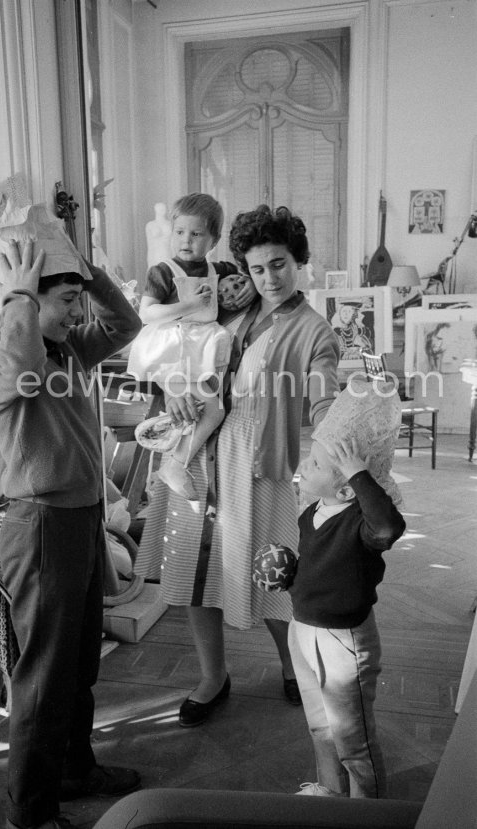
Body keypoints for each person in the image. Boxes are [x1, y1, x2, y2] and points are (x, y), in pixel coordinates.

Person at [134, 204, 340, 725]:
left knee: (272, 572)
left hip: (257, 463)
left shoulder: (314, 329)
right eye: (257, 267)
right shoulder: (230, 302)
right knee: (194, 569)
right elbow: (177, 346)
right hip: (195, 454)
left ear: (299, 262)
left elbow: (322, 387)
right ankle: (212, 677)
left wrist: (332, 426)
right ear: (242, 269)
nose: (268, 277)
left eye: (279, 264)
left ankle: (294, 667)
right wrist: (173, 389)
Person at [0, 236, 142, 829]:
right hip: (40, 528)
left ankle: (74, 770)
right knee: (44, 678)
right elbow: (18, 370)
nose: (78, 311)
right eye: (67, 299)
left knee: (77, 666)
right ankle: (30, 813)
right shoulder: (1, 363)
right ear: (29, 302)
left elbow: (126, 322)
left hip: (79, 520)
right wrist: (16, 292)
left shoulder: (69, 351)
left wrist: (86, 273)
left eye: (78, 299)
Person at [286, 379, 406, 799]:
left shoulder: (361, 523)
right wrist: (291, 575)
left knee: (352, 737)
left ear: (346, 487)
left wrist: (359, 473)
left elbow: (389, 527)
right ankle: (330, 793)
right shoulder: (312, 511)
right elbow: (321, 565)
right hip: (303, 628)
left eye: (316, 465)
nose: (303, 467)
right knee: (320, 724)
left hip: (343, 642)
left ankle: (365, 809)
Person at [128, 193, 254, 502]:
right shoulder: (163, 271)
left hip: (199, 350)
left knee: (208, 409)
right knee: (213, 410)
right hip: (173, 351)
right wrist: (188, 304)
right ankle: (174, 464)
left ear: (212, 240)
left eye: (196, 234)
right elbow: (147, 313)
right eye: (180, 232)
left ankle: (167, 436)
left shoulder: (218, 270)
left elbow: (246, 275)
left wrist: (249, 281)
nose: (186, 240)